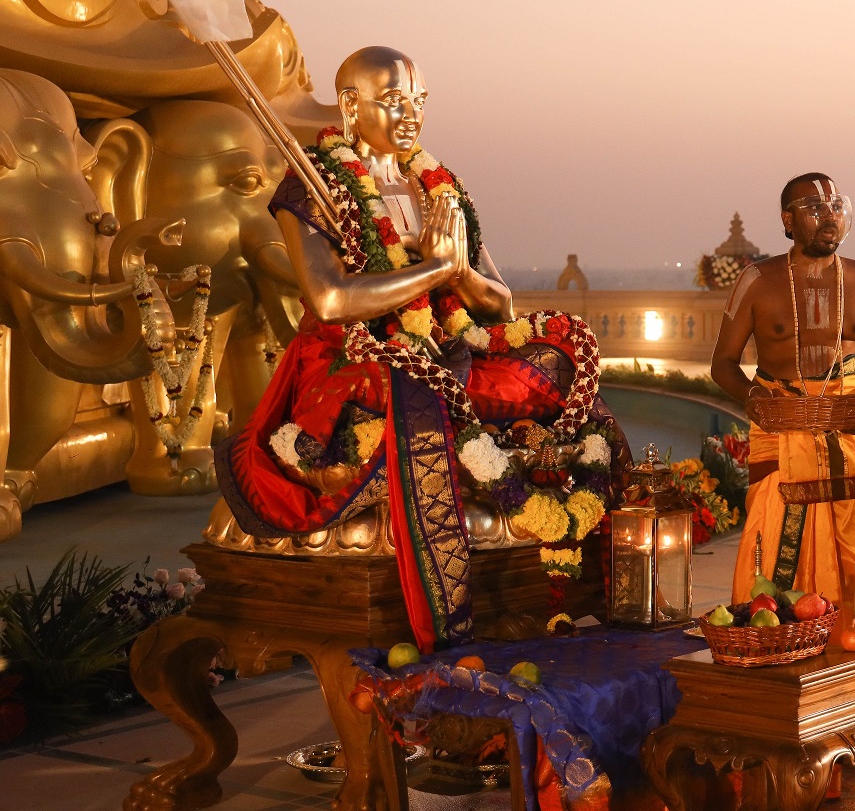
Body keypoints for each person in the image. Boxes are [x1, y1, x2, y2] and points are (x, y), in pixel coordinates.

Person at [217, 47, 621, 651]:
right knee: (418, 389)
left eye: (418, 101)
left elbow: (501, 305)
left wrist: (456, 276)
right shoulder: (314, 186)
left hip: (452, 343)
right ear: (350, 104)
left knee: (557, 360)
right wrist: (433, 272)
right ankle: (445, 599)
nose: (409, 114)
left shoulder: (439, 184)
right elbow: (330, 301)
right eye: (392, 99)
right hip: (357, 354)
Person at [711, 173, 855, 635]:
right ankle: (772, 639)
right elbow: (723, 365)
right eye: (815, 209)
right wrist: (756, 399)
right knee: (772, 531)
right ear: (788, 220)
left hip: (848, 430)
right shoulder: (757, 280)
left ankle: (854, 641)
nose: (829, 217)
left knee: (853, 533)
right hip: (780, 428)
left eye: (835, 207)